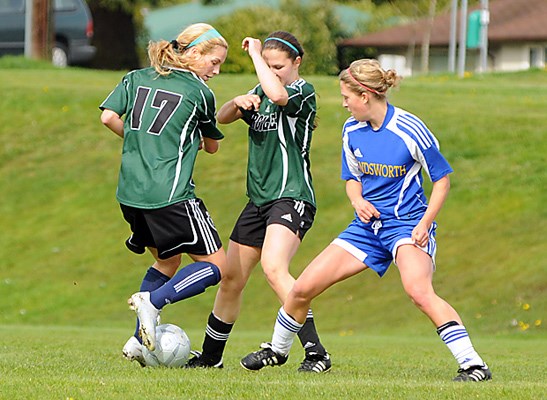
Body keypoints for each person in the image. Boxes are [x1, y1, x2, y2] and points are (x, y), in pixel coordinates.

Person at [240, 59, 492, 382]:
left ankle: (473, 364)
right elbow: (352, 178)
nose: (344, 104)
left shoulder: (409, 129)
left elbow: (442, 180)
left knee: (418, 290)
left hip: (406, 227)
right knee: (302, 288)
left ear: (365, 95)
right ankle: (278, 350)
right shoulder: (351, 130)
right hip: (367, 230)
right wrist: (357, 200)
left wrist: (425, 223)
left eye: (347, 97)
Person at [186, 31, 331, 373]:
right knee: (231, 277)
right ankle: (211, 356)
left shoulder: (301, 91)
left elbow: (279, 94)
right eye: (268, 65)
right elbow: (221, 118)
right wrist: (237, 102)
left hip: (291, 196)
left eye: (278, 65)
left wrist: (254, 57)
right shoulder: (258, 92)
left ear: (296, 62)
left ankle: (316, 352)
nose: (273, 71)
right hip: (258, 201)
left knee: (274, 268)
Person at [99, 23, 229, 364]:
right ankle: (153, 303)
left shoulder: (135, 77)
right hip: (170, 194)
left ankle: (136, 341)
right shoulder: (199, 92)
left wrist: (142, 142)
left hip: (130, 193)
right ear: (194, 54)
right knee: (217, 266)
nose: (217, 70)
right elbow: (212, 146)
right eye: (214, 62)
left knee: (167, 260)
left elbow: (109, 117)